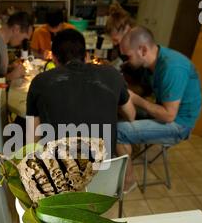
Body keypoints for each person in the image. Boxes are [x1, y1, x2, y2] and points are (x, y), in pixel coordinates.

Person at [116, 26, 202, 191]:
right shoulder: (152, 64)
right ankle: (127, 149)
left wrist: (134, 98)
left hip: (179, 124)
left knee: (117, 130)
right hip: (165, 112)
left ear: (142, 50)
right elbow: (144, 90)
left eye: (128, 56)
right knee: (118, 112)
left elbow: (169, 115)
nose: (126, 61)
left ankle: (129, 181)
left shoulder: (172, 68)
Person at [26, 28, 135, 156]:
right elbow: (131, 115)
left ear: (54, 58)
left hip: (59, 172)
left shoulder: (40, 82)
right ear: (87, 56)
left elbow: (32, 141)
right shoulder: (113, 75)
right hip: (105, 172)